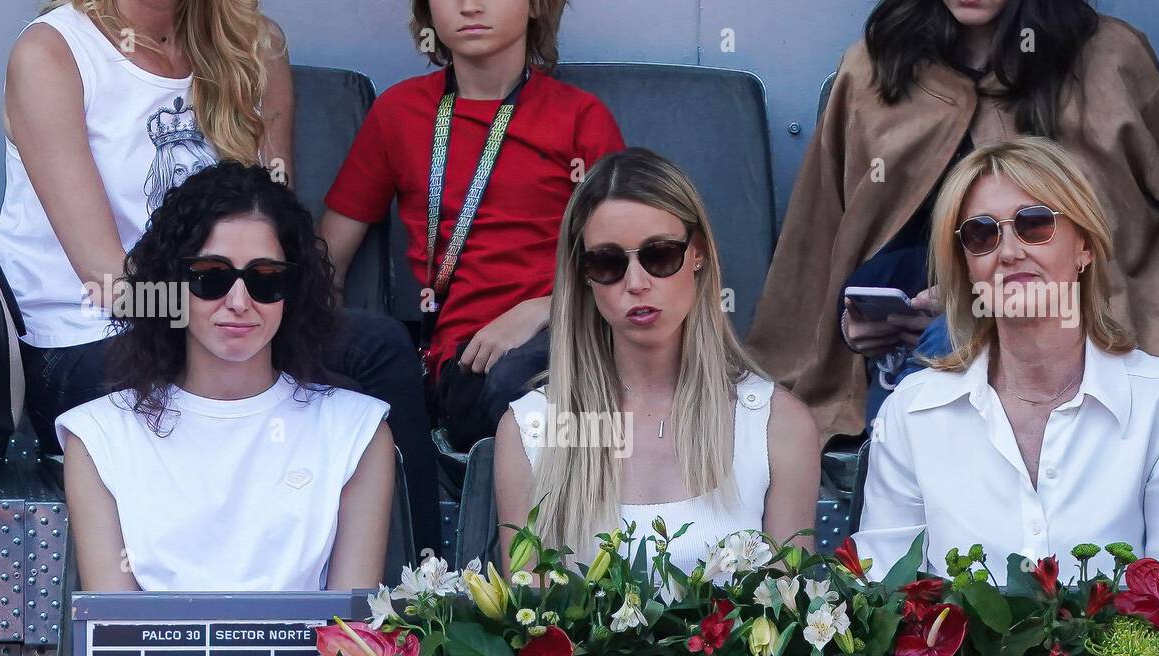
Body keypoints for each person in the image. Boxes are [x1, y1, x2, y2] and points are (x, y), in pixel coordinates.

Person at [747, 0, 1159, 445]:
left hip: (1063, 330)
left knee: (947, 360)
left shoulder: (1107, 58)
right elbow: (821, 238)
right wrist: (850, 332)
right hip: (904, 344)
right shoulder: (875, 64)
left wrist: (973, 306)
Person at [854, 138, 1159, 585]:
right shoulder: (910, 412)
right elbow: (882, 600)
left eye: (1034, 224)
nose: (1009, 251)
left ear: (1084, 246)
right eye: (982, 234)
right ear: (968, 265)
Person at [58, 162, 395, 591]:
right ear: (172, 284)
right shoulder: (99, 436)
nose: (238, 300)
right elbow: (119, 639)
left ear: (293, 290)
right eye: (211, 277)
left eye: (266, 278)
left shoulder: (357, 432)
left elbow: (350, 641)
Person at [494, 148, 821, 572]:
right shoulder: (531, 428)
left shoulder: (778, 424)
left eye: (660, 255)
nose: (636, 283)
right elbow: (528, 622)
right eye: (607, 262)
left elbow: (788, 614)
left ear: (698, 253)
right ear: (583, 275)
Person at [320, 0, 625, 453]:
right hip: (465, 365)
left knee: (541, 381)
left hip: (569, 337)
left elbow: (628, 261)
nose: (470, 6)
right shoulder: (398, 113)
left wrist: (545, 309)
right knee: (510, 384)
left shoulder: (579, 115)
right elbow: (326, 265)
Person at [0, 0, 293, 453]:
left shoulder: (255, 45)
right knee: (199, 406)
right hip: (89, 335)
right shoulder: (52, 51)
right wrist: (220, 327)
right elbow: (109, 282)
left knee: (377, 349)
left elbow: (279, 236)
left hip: (229, 316)